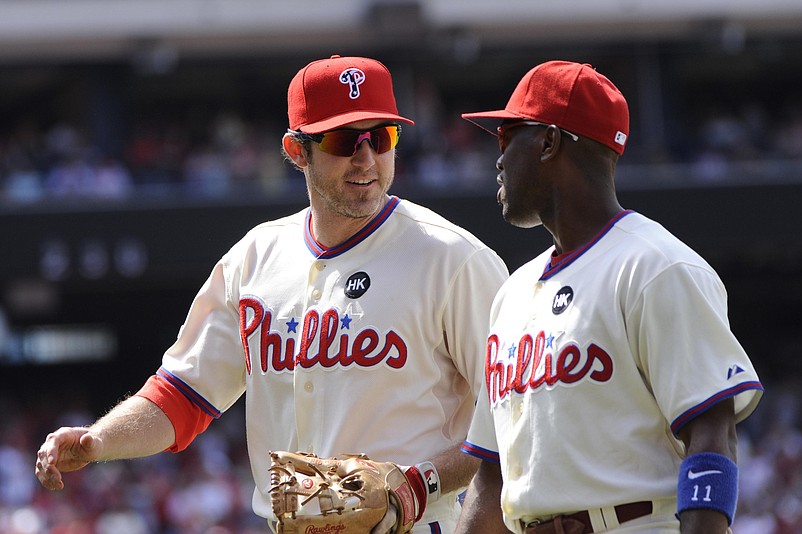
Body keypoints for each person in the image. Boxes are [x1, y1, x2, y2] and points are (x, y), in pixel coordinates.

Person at [35, 55, 509, 533]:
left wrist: (418, 484)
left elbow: (512, 417)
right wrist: (98, 440)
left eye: (381, 137)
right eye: (344, 140)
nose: (366, 159)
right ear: (297, 150)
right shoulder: (255, 258)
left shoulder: (454, 260)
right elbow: (181, 396)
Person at [454, 60, 764, 534]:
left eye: (505, 136)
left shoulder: (657, 267)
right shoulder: (513, 292)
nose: (497, 158)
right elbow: (492, 476)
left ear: (549, 141)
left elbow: (711, 432)